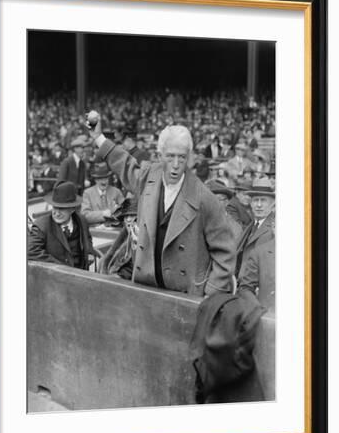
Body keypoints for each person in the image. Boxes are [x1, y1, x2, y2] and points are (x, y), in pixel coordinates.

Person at [86, 111, 235, 297]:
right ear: (159, 155)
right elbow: (124, 163)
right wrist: (98, 137)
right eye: (170, 156)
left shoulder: (204, 197)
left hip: (184, 295)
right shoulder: (149, 176)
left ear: (189, 157)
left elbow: (225, 251)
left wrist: (210, 294)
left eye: (182, 157)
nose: (175, 164)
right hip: (146, 286)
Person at [28, 181, 99, 270]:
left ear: (72, 209)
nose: (56, 213)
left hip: (81, 275)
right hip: (55, 279)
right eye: (54, 207)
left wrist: (89, 252)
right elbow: (31, 251)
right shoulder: (42, 226)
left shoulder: (82, 221)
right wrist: (61, 268)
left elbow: (87, 239)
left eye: (62, 209)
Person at [235, 177, 275, 278]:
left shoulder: (274, 228)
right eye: (255, 200)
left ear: (272, 204)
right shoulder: (252, 225)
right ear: (251, 204)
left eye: (263, 200)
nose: (259, 205)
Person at [99, 197, 139, 280]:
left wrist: (118, 276)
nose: (128, 219)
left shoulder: (142, 240)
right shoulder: (125, 237)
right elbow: (108, 258)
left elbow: (134, 268)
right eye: (126, 216)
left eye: (132, 215)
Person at [238, 238, 275, 315]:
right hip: (268, 318)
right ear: (273, 227)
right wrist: (259, 311)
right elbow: (245, 289)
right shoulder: (259, 252)